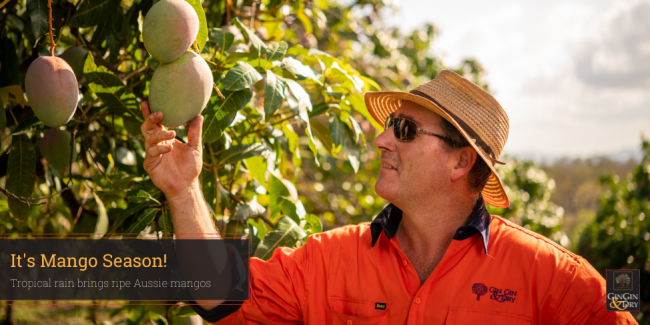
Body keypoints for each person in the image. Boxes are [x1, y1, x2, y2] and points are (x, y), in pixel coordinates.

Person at [140, 70, 638, 324]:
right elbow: (221, 294)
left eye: (403, 129)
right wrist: (185, 190)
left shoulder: (559, 277)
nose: (381, 141)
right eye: (387, 127)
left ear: (461, 161)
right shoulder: (326, 260)